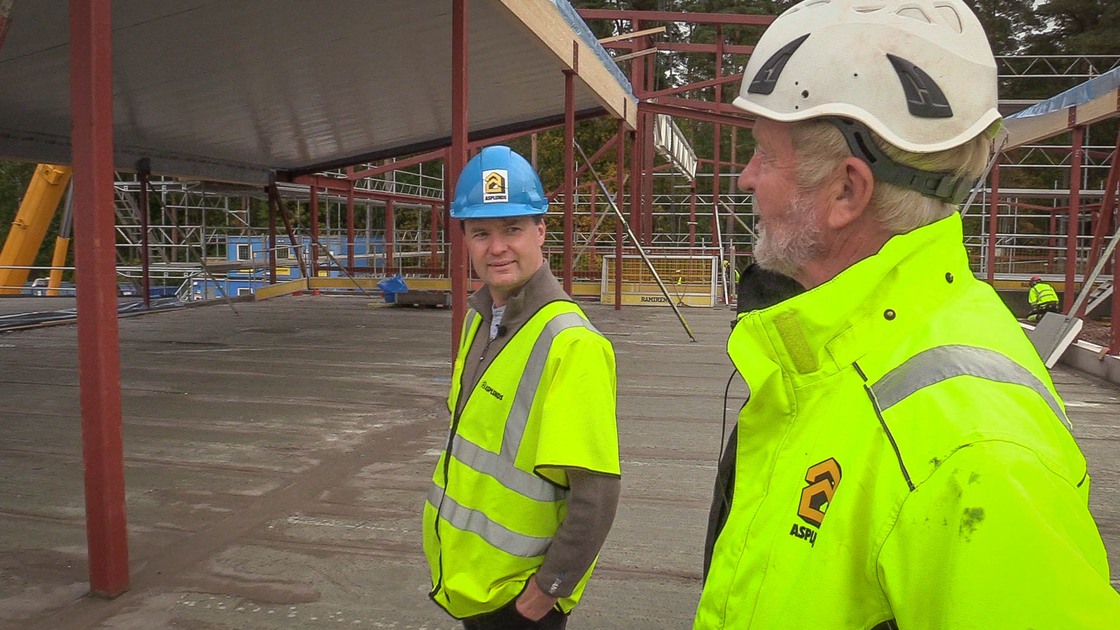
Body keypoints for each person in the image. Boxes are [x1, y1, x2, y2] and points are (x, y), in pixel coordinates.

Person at [695, 1, 1120, 628]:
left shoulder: (973, 451)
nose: (745, 177)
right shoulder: (833, 355)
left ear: (846, 190)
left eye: (765, 154)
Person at [422, 145, 621, 630]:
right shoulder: (480, 321)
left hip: (520, 602)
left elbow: (595, 495)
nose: (497, 247)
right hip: (473, 586)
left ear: (541, 231)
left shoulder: (570, 343)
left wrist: (543, 594)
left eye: (512, 228)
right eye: (482, 232)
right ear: (465, 240)